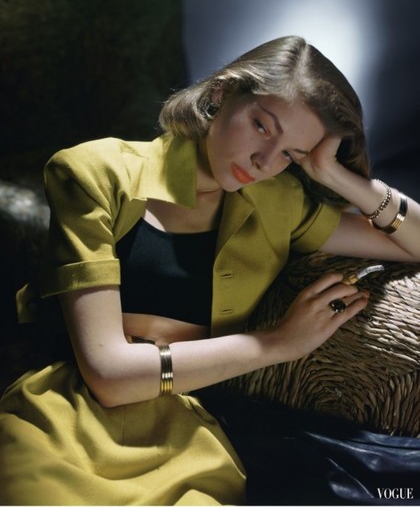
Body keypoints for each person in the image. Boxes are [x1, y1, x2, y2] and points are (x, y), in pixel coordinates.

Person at [1, 35, 420, 506]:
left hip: (186, 440)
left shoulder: (278, 203)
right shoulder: (94, 173)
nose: (265, 161)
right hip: (64, 419)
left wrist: (339, 177)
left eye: (290, 153)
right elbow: (109, 377)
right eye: (262, 126)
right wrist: (278, 344)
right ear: (221, 94)